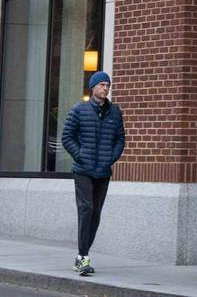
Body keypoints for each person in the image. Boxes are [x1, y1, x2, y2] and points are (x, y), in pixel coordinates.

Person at [60, 70, 125, 276]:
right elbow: (67, 136)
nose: (105, 88)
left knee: (95, 213)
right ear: (93, 87)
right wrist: (80, 155)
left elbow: (120, 139)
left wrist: (110, 158)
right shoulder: (79, 110)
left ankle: (83, 255)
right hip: (83, 170)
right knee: (86, 209)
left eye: (108, 85)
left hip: (103, 171)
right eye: (102, 85)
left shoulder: (115, 112)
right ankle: (82, 256)